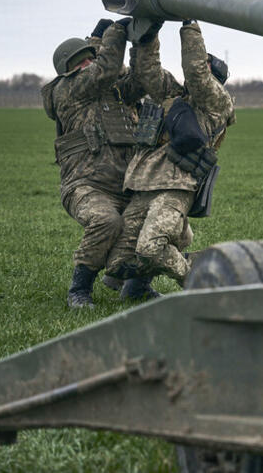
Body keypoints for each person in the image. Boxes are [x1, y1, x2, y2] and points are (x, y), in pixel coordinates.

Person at [106, 20, 234, 294]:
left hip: (175, 187)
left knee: (150, 249)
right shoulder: (174, 96)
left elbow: (197, 73)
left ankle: (196, 276)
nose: (197, 71)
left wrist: (189, 24)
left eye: (205, 66)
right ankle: (169, 268)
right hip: (142, 185)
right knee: (117, 263)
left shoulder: (217, 104)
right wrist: (147, 33)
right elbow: (147, 71)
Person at [42, 18, 144, 308]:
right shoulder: (67, 90)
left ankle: (135, 285)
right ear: (68, 70)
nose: (87, 65)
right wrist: (115, 33)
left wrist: (144, 40)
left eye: (90, 58)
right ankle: (79, 289)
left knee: (168, 222)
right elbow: (105, 68)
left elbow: (138, 76)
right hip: (85, 187)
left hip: (127, 184)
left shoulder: (113, 91)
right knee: (105, 221)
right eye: (80, 62)